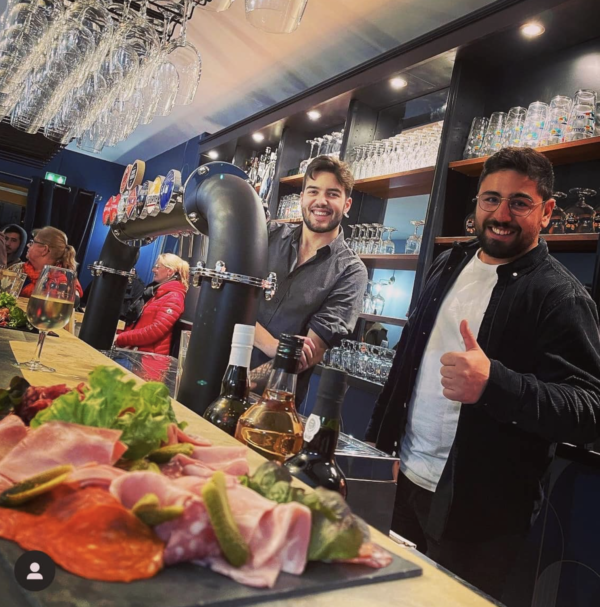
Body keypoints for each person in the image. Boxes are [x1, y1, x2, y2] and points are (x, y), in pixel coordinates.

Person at [365, 147, 600, 601]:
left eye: (519, 202)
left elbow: (589, 410)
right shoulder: (449, 262)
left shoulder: (561, 296)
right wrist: (378, 450)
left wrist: (494, 384)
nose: (501, 215)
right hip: (401, 477)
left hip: (480, 516)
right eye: (491, 199)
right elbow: (406, 364)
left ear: (547, 211)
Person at [250, 155, 368, 404]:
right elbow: (228, 303)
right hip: (218, 367)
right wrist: (273, 345)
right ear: (302, 198)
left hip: (275, 403)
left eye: (332, 194)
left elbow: (305, 356)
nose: (321, 201)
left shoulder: (350, 271)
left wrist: (243, 381)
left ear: (347, 205)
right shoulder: (266, 235)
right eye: (313, 191)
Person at [114, 253, 189, 355]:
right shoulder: (156, 293)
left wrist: (121, 338)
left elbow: (154, 331)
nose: (153, 270)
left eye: (157, 267)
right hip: (138, 353)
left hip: (148, 358)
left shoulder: (174, 297)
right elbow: (140, 324)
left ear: (169, 271)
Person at [10, 227, 83, 300]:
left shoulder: (66, 279)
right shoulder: (17, 269)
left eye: (32, 242)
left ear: (44, 249)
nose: (28, 245)